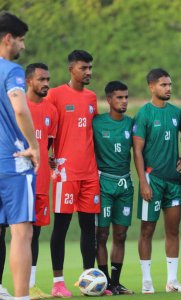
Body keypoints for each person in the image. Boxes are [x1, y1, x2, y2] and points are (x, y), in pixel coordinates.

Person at [46, 50, 100, 297]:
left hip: (90, 174)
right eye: (83, 68)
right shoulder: (55, 95)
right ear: (71, 69)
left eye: (90, 68)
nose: (88, 72)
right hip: (65, 174)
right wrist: (46, 156)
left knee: (90, 228)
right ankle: (58, 283)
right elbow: (47, 131)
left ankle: (89, 280)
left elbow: (92, 134)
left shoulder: (92, 97)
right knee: (62, 227)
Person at [133, 68, 181, 294]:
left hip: (173, 182)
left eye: (169, 85)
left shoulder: (177, 113)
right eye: (163, 85)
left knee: (173, 231)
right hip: (152, 179)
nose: (168, 88)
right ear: (152, 87)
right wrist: (144, 182)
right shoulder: (144, 114)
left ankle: (172, 281)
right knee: (147, 230)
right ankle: (147, 281)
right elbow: (137, 152)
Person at [0, 11, 40, 300]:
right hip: (13, 159)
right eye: (21, 40)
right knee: (22, 233)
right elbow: (20, 108)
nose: (23, 47)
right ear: (8, 39)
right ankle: (22, 297)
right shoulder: (11, 70)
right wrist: (34, 145)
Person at [93, 81, 134, 295]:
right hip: (103, 185)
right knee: (101, 234)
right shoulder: (97, 123)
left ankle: (116, 282)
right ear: (109, 99)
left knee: (121, 235)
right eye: (119, 97)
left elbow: (148, 147)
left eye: (126, 97)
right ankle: (105, 282)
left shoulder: (131, 124)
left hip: (125, 184)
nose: (124, 101)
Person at [25, 63, 58, 299]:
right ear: (29, 82)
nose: (46, 83)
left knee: (34, 234)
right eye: (41, 79)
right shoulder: (16, 107)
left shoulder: (51, 111)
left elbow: (46, 147)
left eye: (47, 79)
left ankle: (31, 285)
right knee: (14, 233)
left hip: (41, 181)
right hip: (18, 181)